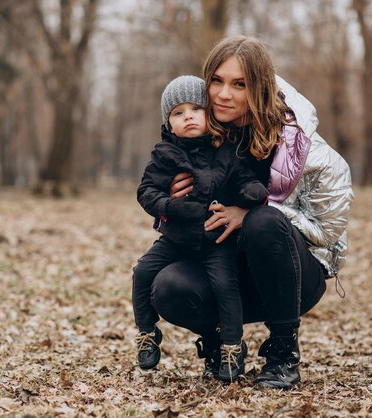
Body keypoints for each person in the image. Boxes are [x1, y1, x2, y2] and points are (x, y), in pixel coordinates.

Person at [148, 36, 354, 389]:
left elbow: (327, 233)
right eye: (217, 81)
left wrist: (251, 210)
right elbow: (171, 212)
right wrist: (173, 202)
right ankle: (222, 343)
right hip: (224, 270)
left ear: (258, 87)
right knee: (167, 286)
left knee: (263, 222)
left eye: (239, 84)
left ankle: (283, 354)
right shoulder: (197, 135)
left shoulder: (305, 148)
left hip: (294, 278)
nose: (223, 95)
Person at [133, 75, 268, 382]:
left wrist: (251, 192)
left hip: (215, 239)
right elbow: (146, 191)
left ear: (209, 113)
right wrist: (169, 206)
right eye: (178, 113)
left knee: (224, 285)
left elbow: (243, 178)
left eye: (196, 108)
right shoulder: (164, 155)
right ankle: (146, 333)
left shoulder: (228, 151)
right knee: (142, 272)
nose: (188, 116)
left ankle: (232, 347)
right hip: (176, 238)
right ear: (169, 123)